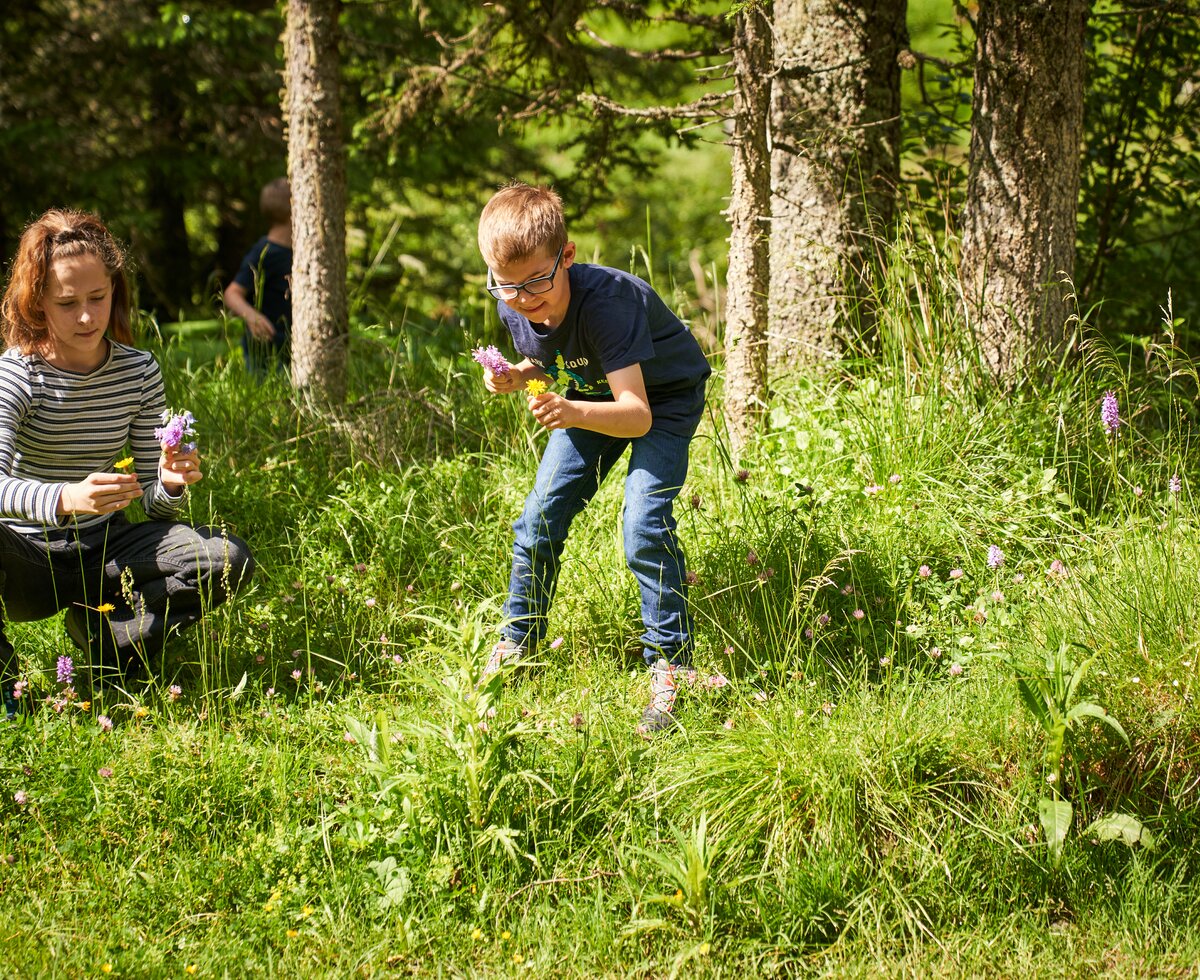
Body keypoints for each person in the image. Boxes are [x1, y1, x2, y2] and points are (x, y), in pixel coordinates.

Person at [0, 209, 255, 720]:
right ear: (37, 303)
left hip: (103, 551)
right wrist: (65, 499)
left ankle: (110, 643)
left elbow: (156, 507)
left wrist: (168, 481)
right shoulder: (17, 374)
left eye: (98, 297)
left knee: (227, 557)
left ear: (115, 289)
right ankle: (10, 688)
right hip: (26, 557)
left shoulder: (137, 370)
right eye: (67, 303)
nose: (88, 317)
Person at [476, 183, 711, 734]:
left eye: (537, 281)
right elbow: (553, 355)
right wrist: (516, 376)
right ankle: (521, 640)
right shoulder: (516, 300)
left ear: (568, 256)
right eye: (506, 286)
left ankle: (673, 668)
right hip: (591, 395)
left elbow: (637, 415)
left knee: (642, 524)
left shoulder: (608, 304)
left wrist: (572, 410)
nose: (523, 298)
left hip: (661, 401)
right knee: (539, 517)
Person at [223, 177, 292, 373]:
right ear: (293, 208)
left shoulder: (301, 252)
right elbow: (232, 293)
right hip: (264, 347)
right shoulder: (265, 252)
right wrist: (252, 317)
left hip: (291, 346)